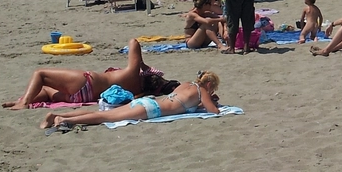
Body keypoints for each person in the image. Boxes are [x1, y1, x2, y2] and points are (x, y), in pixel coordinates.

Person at [3, 39, 175, 109]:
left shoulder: (132, 73)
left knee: (39, 74)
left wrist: (142, 64)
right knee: (47, 90)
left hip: (86, 82)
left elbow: (133, 42)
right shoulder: (137, 91)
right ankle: (20, 100)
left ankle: (24, 103)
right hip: (84, 97)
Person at [40, 71, 220, 129]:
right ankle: (64, 120)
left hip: (148, 102)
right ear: (209, 84)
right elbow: (214, 111)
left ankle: (57, 114)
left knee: (101, 113)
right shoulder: (201, 90)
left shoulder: (186, 84)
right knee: (104, 118)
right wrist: (211, 100)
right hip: (152, 110)